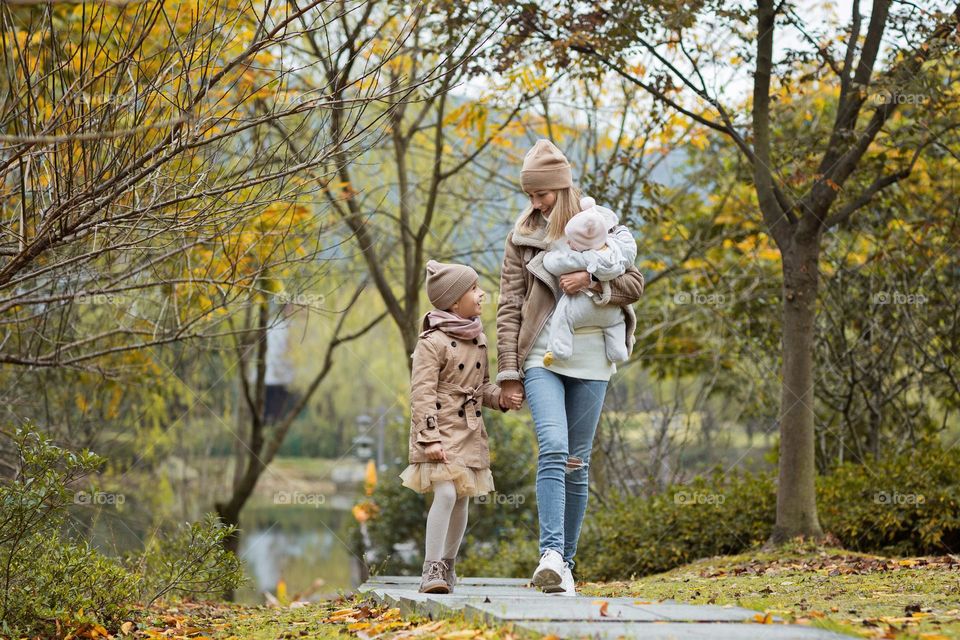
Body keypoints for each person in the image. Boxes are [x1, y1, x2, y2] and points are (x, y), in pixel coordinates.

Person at [496, 139, 644, 595]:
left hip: (594, 358)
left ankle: (566, 568)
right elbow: (508, 306)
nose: (536, 203)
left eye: (542, 194)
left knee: (577, 462)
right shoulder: (522, 237)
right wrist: (507, 371)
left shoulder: (600, 224)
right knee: (554, 447)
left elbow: (635, 283)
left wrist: (594, 281)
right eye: (531, 195)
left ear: (562, 188)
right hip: (542, 355)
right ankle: (551, 554)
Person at [399, 259, 515, 594]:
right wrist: (428, 437)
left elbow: (482, 387)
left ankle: (448, 566)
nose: (481, 295)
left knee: (463, 497)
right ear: (453, 301)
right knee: (447, 492)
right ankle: (430, 568)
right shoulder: (431, 342)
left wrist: (501, 399)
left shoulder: (479, 339)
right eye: (474, 290)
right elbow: (421, 393)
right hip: (440, 428)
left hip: (469, 430)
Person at [541, 197, 638, 366]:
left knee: (563, 315)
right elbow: (629, 249)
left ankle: (560, 348)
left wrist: (588, 281)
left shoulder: (584, 258)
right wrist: (622, 231)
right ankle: (618, 351)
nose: (568, 243)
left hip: (583, 310)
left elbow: (554, 264)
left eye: (571, 241)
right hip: (611, 313)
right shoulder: (617, 252)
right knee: (616, 322)